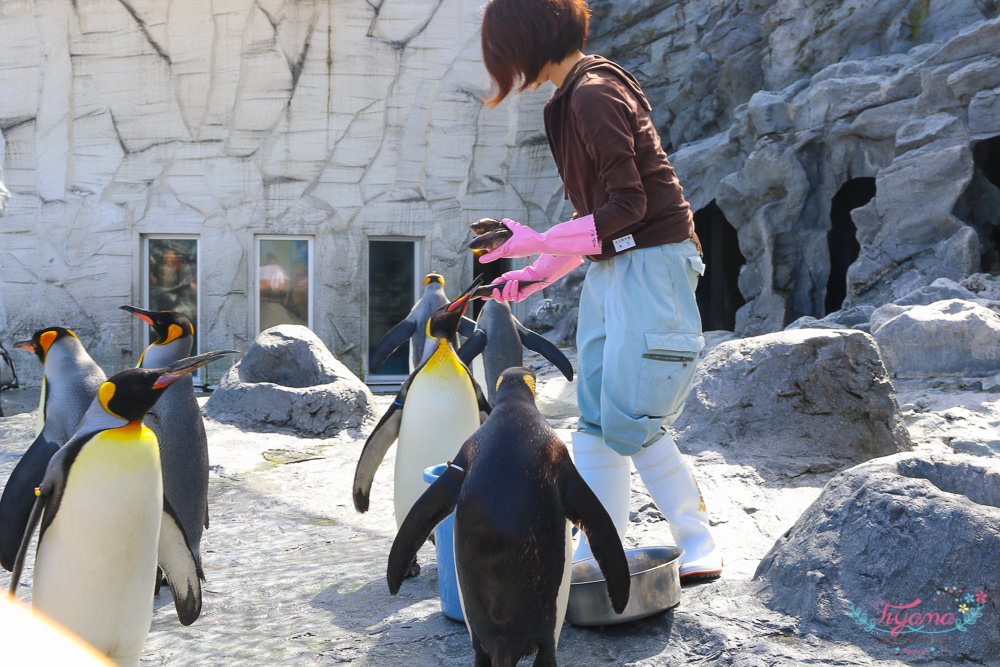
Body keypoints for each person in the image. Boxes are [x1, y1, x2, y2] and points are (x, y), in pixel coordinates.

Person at [478, 0, 721, 582]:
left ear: (529, 38)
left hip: (656, 261)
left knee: (631, 415)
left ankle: (697, 542)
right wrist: (535, 270)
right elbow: (598, 223)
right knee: (593, 417)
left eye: (505, 54)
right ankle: (596, 554)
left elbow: (630, 207)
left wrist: (535, 238)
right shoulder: (567, 101)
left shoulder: (592, 93)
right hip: (616, 267)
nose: (507, 71)